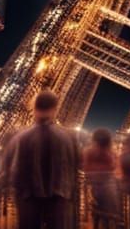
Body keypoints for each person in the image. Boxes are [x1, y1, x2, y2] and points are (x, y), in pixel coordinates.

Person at [10, 90, 82, 229]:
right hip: (59, 198)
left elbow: (14, 172)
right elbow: (74, 169)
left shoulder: (22, 137)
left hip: (29, 198)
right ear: (55, 109)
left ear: (34, 108)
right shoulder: (67, 137)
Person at [82, 129, 120, 229]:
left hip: (94, 186)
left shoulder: (88, 151)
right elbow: (114, 167)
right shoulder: (111, 152)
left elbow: (86, 168)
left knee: (96, 212)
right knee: (109, 215)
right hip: (108, 186)